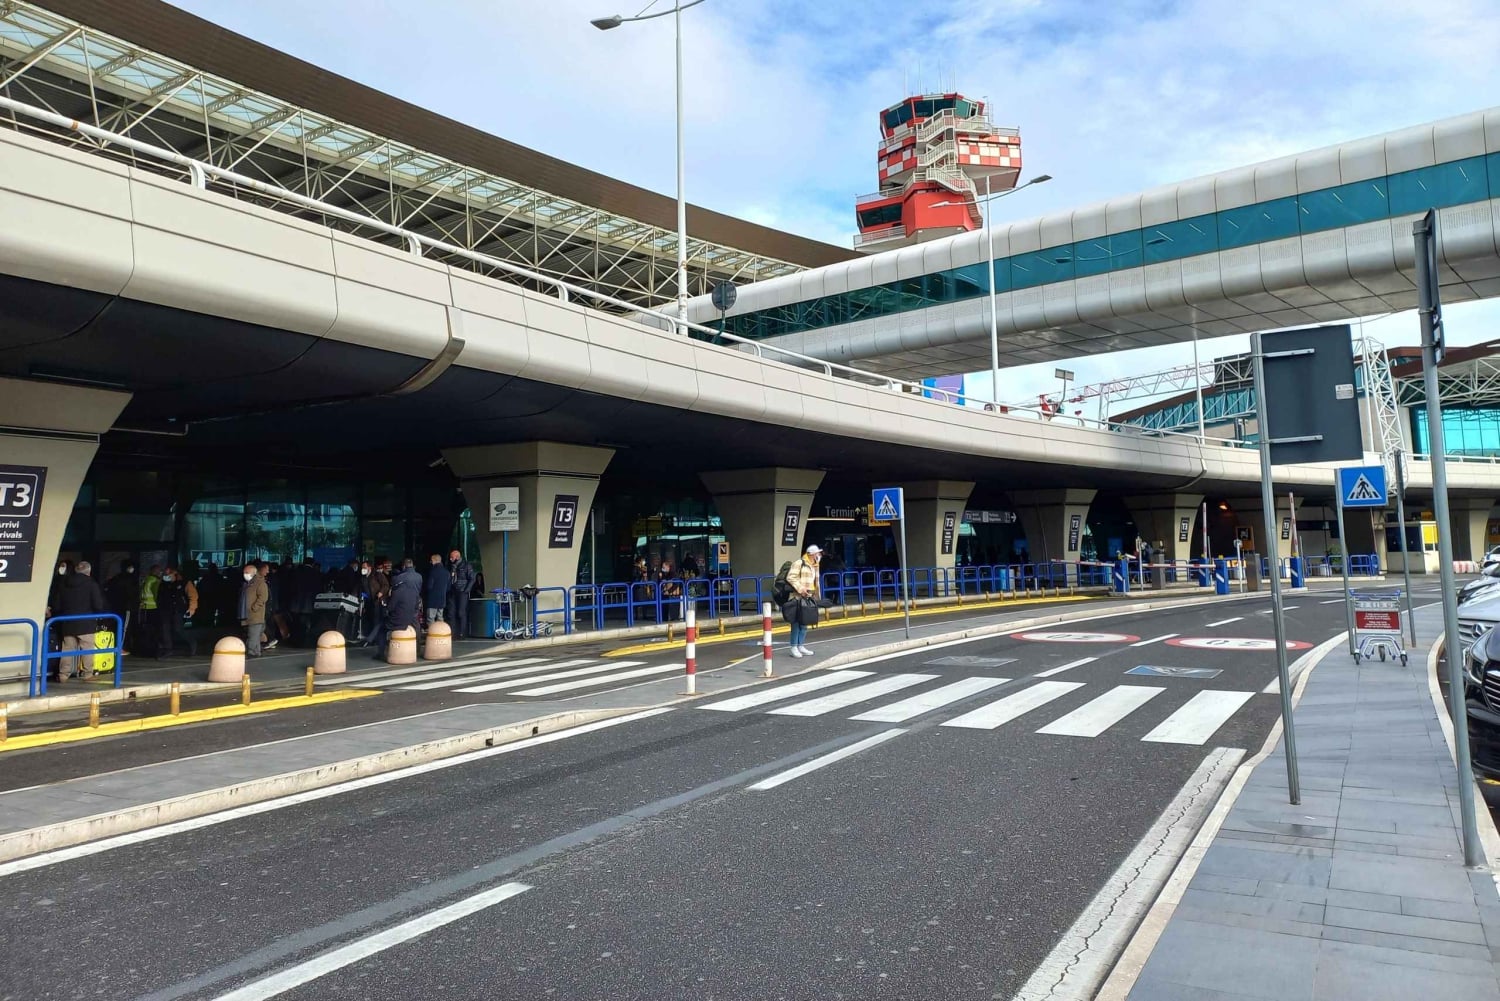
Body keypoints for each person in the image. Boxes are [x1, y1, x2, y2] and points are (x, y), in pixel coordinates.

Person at [55, 560, 107, 679]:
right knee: (87, 649)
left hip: (68, 622)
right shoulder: (91, 584)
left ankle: (63, 675)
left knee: (67, 650)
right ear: (89, 571)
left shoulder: (64, 583)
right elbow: (98, 605)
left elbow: (57, 604)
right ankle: (88, 674)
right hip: (86, 622)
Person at [783, 544, 823, 658]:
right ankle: (794, 647)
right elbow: (790, 577)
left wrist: (816, 596)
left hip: (809, 597)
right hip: (797, 597)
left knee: (805, 622)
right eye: (817, 553)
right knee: (796, 623)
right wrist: (801, 589)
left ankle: (801, 646)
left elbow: (815, 582)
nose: (819, 555)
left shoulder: (814, 565)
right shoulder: (799, 563)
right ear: (811, 554)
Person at [156, 565, 199, 658]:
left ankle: (192, 642)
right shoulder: (163, 583)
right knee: (165, 629)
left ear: (175, 573)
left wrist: (192, 608)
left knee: (178, 629)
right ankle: (168, 649)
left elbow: (193, 595)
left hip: (178, 609)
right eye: (165, 574)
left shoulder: (184, 582)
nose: (166, 576)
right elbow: (159, 596)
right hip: (165, 609)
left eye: (169, 574)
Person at [383, 558, 422, 658]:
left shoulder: (399, 578)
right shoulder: (419, 576)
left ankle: (386, 651)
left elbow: (393, 599)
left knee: (385, 625)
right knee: (416, 626)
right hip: (413, 604)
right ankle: (417, 648)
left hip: (400, 610)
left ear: (403, 566)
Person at [105, 560, 139, 657]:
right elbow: (132, 594)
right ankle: (121, 647)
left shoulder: (116, 578)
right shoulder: (130, 579)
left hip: (115, 607)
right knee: (125, 628)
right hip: (126, 607)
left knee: (117, 626)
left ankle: (117, 646)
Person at [238, 562, 269, 657]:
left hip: (255, 615)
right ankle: (256, 652)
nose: (245, 574)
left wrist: (254, 608)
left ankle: (251, 652)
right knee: (254, 635)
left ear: (253, 573)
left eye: (247, 572)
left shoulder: (260, 583)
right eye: (244, 572)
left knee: (253, 635)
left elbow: (263, 597)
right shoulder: (247, 584)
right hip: (247, 614)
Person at [445, 549, 475, 640]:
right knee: (451, 613)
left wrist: (466, 590)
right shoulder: (450, 566)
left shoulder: (466, 565)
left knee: (461, 613)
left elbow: (472, 578)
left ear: (457, 557)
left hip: (462, 591)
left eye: (452, 557)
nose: (450, 559)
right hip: (452, 591)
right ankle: (453, 633)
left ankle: (462, 633)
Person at [362, 559, 391, 649]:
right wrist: (362, 596)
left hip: (378, 601)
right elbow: (361, 590)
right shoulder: (363, 578)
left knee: (377, 621)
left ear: (369, 567)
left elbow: (386, 585)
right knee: (370, 620)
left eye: (364, 567)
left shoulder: (377, 575)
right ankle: (372, 638)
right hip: (368, 602)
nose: (363, 569)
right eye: (362, 567)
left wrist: (381, 592)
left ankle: (375, 639)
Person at [138, 565, 162, 658]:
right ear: (156, 572)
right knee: (154, 631)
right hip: (153, 608)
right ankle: (153, 650)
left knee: (146, 630)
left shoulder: (146, 579)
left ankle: (145, 649)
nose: (160, 573)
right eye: (159, 571)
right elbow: (157, 595)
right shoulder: (155, 581)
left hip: (144, 608)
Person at [423, 553, 451, 628]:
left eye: (431, 560)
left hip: (432, 599)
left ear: (434, 560)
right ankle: (441, 633)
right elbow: (448, 587)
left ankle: (432, 633)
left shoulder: (433, 571)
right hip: (442, 599)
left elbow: (429, 586)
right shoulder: (446, 572)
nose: (430, 562)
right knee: (440, 618)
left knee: (430, 619)